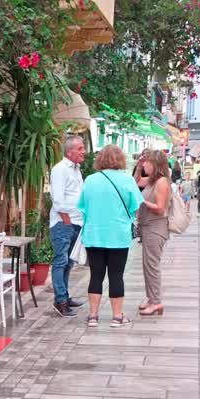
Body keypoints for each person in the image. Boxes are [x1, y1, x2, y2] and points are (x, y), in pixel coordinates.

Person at [77, 144, 141, 328]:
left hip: (94, 234)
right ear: (120, 159)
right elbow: (136, 207)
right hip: (118, 236)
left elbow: (82, 206)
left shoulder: (90, 180)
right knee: (116, 275)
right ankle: (117, 316)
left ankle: (93, 316)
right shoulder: (127, 180)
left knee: (95, 275)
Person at [47, 134, 87, 317]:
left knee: (68, 263)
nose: (83, 152)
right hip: (64, 223)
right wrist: (67, 221)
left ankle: (64, 296)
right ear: (69, 151)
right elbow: (57, 199)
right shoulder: (60, 169)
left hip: (75, 222)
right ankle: (60, 301)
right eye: (80, 148)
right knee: (60, 261)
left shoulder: (76, 169)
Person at [133, 150, 171, 317]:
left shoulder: (161, 182)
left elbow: (160, 208)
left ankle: (156, 302)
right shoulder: (151, 181)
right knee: (147, 265)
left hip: (156, 228)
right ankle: (151, 298)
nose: (145, 165)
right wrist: (138, 166)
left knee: (152, 266)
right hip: (148, 227)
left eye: (147, 162)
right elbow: (136, 182)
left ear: (155, 164)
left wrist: (142, 202)